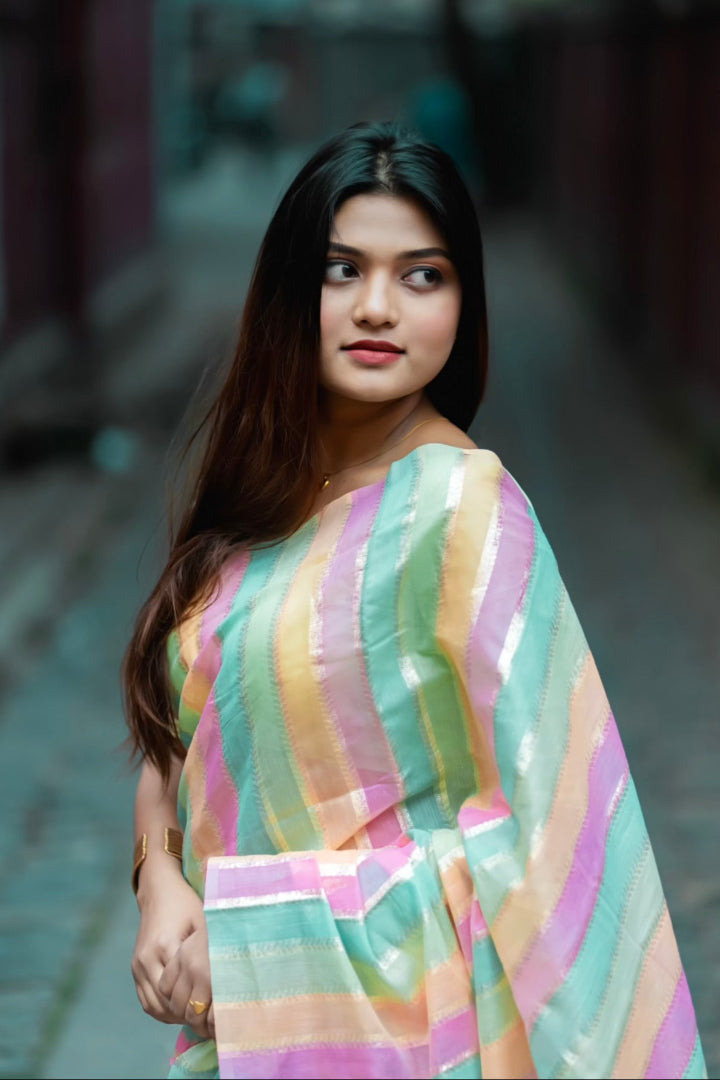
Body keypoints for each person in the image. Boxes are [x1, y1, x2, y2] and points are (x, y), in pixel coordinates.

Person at [122, 121, 706, 1080]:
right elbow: (177, 718)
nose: (377, 308)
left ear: (463, 305)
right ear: (287, 288)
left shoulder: (462, 513)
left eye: (422, 275)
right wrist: (160, 880)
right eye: (341, 270)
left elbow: (549, 858)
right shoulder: (266, 493)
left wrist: (259, 944)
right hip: (243, 1043)